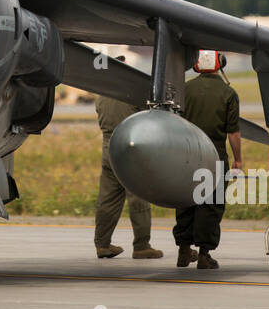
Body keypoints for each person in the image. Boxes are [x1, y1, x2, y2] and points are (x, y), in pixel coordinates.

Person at [177, 50, 242, 269]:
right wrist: (238, 160)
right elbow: (233, 133)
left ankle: (184, 251)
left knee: (186, 200)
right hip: (214, 155)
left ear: (196, 65)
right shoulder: (228, 93)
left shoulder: (184, 89)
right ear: (219, 64)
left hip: (187, 154)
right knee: (211, 203)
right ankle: (204, 255)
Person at [94, 94, 164, 260]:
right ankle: (141, 246)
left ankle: (102, 244)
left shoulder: (101, 95)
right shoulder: (131, 92)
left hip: (108, 146)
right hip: (129, 145)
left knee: (107, 198)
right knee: (138, 196)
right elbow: (149, 118)